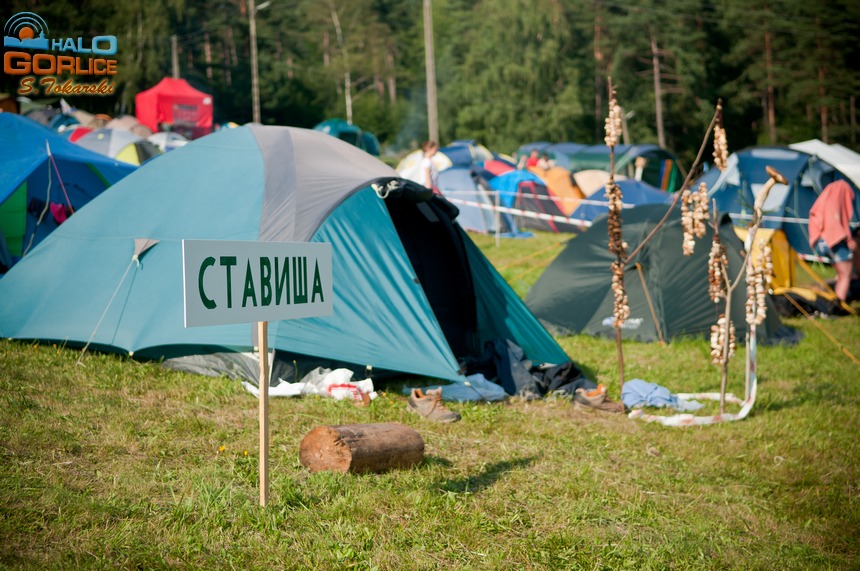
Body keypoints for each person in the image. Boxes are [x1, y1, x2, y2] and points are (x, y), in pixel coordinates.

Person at [808, 179, 856, 302]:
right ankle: (838, 305)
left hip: (820, 242)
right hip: (833, 242)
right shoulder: (835, 205)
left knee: (840, 274)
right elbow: (834, 227)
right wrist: (849, 240)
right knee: (845, 275)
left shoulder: (824, 201)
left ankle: (833, 298)